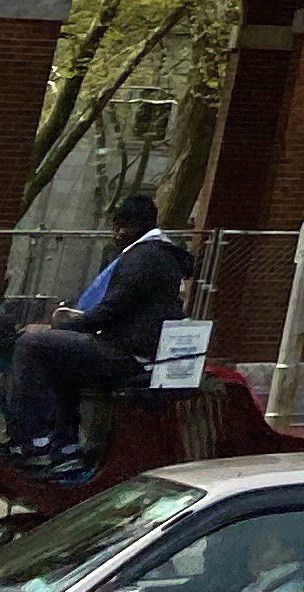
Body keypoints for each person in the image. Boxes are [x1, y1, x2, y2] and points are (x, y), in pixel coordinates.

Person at [5, 194, 190, 470]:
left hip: (127, 355)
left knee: (32, 344)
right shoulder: (159, 255)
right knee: (57, 352)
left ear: (132, 226)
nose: (115, 235)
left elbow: (111, 310)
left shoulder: (143, 259)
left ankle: (33, 439)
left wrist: (60, 326)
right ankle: (64, 440)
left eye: (119, 228)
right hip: (136, 349)